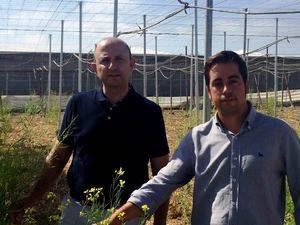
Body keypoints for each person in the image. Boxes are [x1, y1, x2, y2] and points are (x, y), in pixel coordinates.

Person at [104, 50, 300, 225]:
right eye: (217, 83)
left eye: (233, 80)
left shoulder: (279, 134)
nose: (226, 90)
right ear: (208, 92)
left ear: (246, 85)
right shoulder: (197, 138)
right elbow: (163, 182)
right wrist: (120, 215)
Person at [9, 37, 170, 225]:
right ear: (95, 67)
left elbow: (161, 173)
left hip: (126, 213)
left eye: (119, 59)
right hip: (77, 210)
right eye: (105, 60)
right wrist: (34, 197)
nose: (112, 66)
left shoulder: (149, 111)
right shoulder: (78, 104)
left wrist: (160, 222)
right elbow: (58, 157)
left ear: (132, 64)